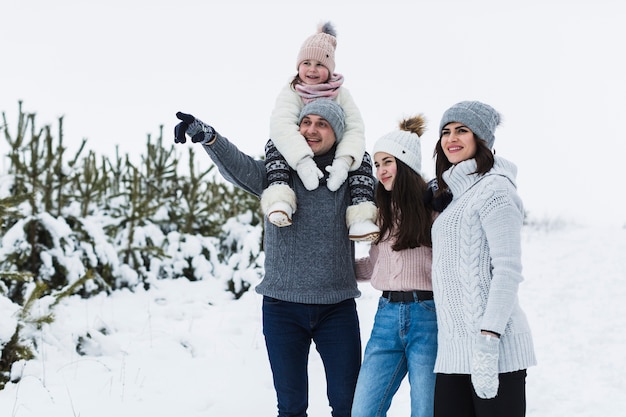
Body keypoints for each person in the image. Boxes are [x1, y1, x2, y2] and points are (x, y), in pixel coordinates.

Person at [174, 99, 373, 417]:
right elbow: (237, 167)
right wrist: (209, 137)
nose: (311, 129)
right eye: (306, 122)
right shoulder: (278, 174)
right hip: (282, 309)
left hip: (337, 309)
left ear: (337, 133)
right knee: (291, 407)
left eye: (322, 123)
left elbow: (394, 193)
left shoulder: (351, 179)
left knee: (349, 403)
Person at [431, 101, 537, 417]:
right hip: (453, 352)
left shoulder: (495, 189)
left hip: (495, 349)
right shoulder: (453, 197)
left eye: (462, 130)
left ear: (482, 139)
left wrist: (489, 340)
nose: (451, 138)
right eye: (446, 131)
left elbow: (508, 269)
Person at [351, 116, 447, 417]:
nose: (380, 171)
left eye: (387, 162)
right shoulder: (380, 214)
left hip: (427, 316)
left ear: (404, 164)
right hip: (386, 317)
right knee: (364, 410)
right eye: (377, 164)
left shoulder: (434, 208)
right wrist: (334, 270)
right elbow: (374, 267)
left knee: (425, 410)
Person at [262, 21, 379, 241]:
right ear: (298, 66)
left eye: (319, 64)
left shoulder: (341, 93)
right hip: (298, 150)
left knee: (361, 156)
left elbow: (355, 129)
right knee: (274, 144)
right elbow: (282, 125)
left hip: (333, 152)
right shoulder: (292, 91)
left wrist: (344, 162)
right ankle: (280, 199)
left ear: (330, 68)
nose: (312, 69)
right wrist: (303, 161)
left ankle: (361, 216)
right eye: (306, 62)